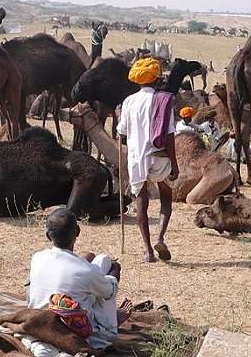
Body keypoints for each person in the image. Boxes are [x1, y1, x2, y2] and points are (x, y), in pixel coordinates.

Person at [28, 208, 131, 351]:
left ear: (47, 235)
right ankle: (109, 327)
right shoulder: (86, 271)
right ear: (77, 231)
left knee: (101, 261)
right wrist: (115, 269)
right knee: (105, 271)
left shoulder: (37, 258)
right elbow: (110, 291)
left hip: (40, 324)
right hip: (74, 331)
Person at [116, 57, 179, 262]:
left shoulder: (128, 102)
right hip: (159, 154)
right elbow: (169, 135)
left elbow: (122, 132)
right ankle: (160, 236)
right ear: (157, 78)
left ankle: (148, 250)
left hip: (136, 157)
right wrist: (174, 163)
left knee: (141, 200)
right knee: (166, 195)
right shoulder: (162, 101)